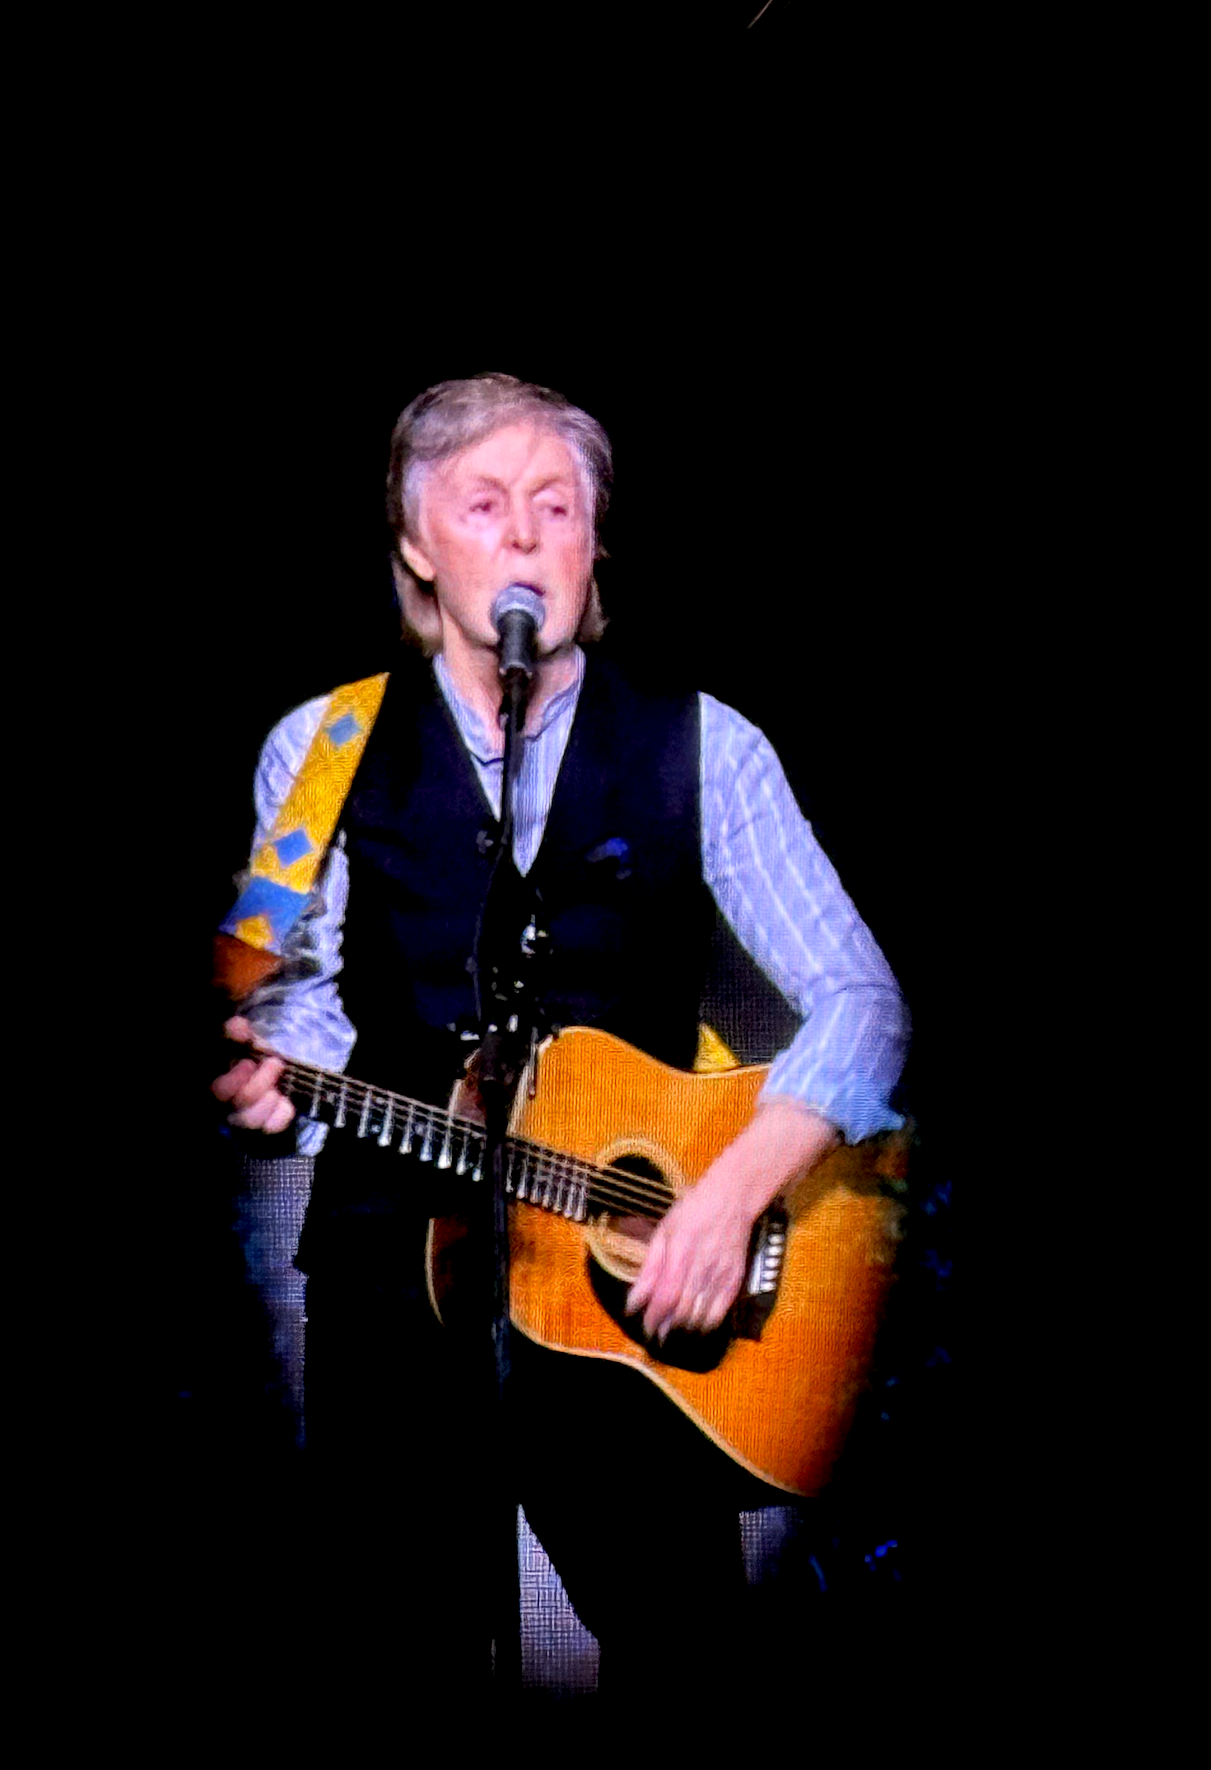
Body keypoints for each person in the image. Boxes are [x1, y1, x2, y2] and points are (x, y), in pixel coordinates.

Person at [212, 372, 909, 1710]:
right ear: (420, 543)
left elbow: (865, 1001)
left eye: (558, 504)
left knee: (687, 1660)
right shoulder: (317, 747)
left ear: (595, 544)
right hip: (388, 1284)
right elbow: (288, 998)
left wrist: (738, 1193)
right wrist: (278, 1085)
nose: (527, 534)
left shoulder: (711, 745)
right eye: (485, 503)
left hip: (636, 1299)